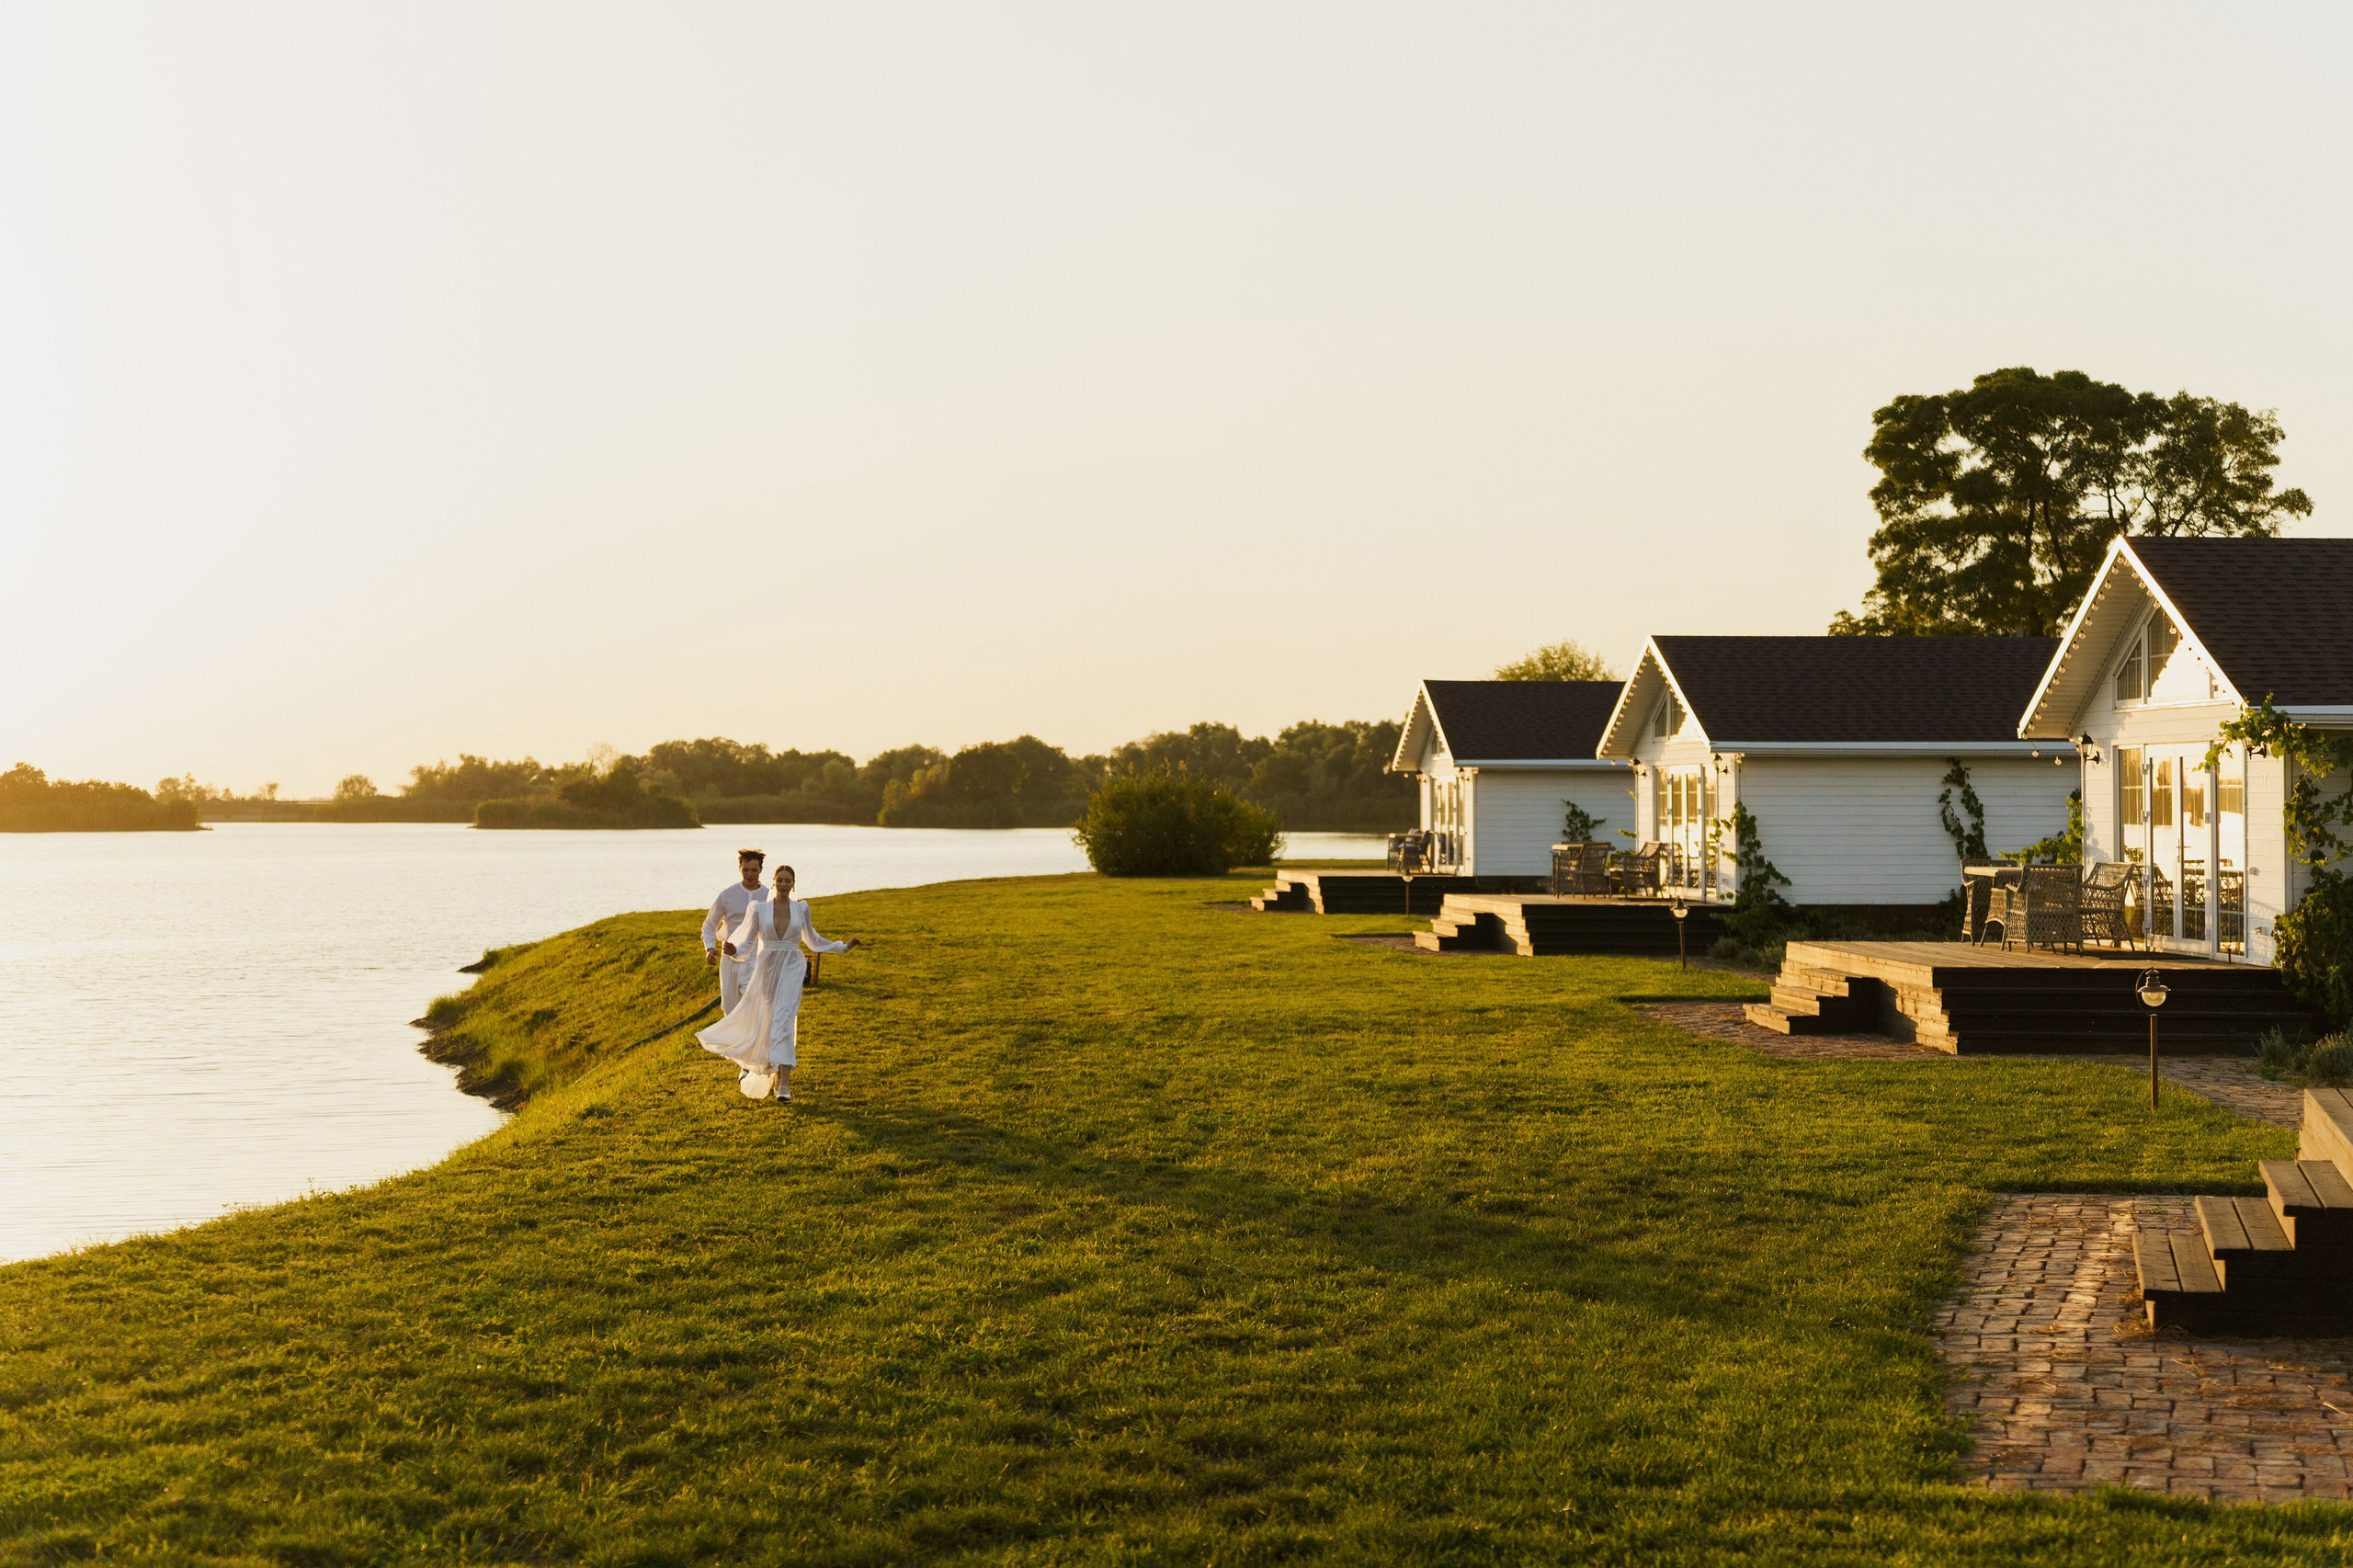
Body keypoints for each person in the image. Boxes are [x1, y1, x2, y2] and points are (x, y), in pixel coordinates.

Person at [695, 864, 860, 1102]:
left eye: (787, 881)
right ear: (773, 882)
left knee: (784, 1019)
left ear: (793, 884)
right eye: (779, 880)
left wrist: (842, 947)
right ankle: (775, 1075)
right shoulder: (759, 909)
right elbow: (747, 944)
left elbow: (812, 940)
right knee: (770, 1021)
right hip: (767, 968)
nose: (783, 884)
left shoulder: (801, 909)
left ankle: (784, 1084)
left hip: (792, 965)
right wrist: (734, 951)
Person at [702, 849, 771, 1014]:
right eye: (745, 870)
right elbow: (710, 925)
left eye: (754, 870)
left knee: (752, 1005)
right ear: (739, 868)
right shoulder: (727, 895)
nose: (750, 874)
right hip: (729, 958)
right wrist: (710, 948)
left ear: (761, 870)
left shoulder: (769, 896)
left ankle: (753, 1031)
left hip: (755, 957)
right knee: (729, 1008)